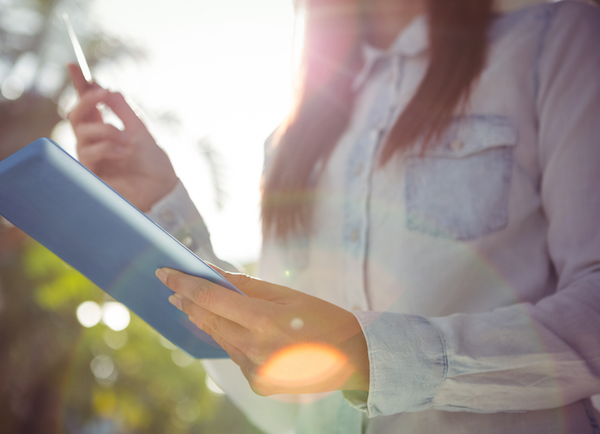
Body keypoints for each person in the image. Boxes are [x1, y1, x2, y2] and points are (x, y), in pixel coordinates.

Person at [67, 0, 600, 432]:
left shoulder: (557, 40)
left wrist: (368, 356)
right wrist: (160, 204)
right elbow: (286, 399)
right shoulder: (288, 145)